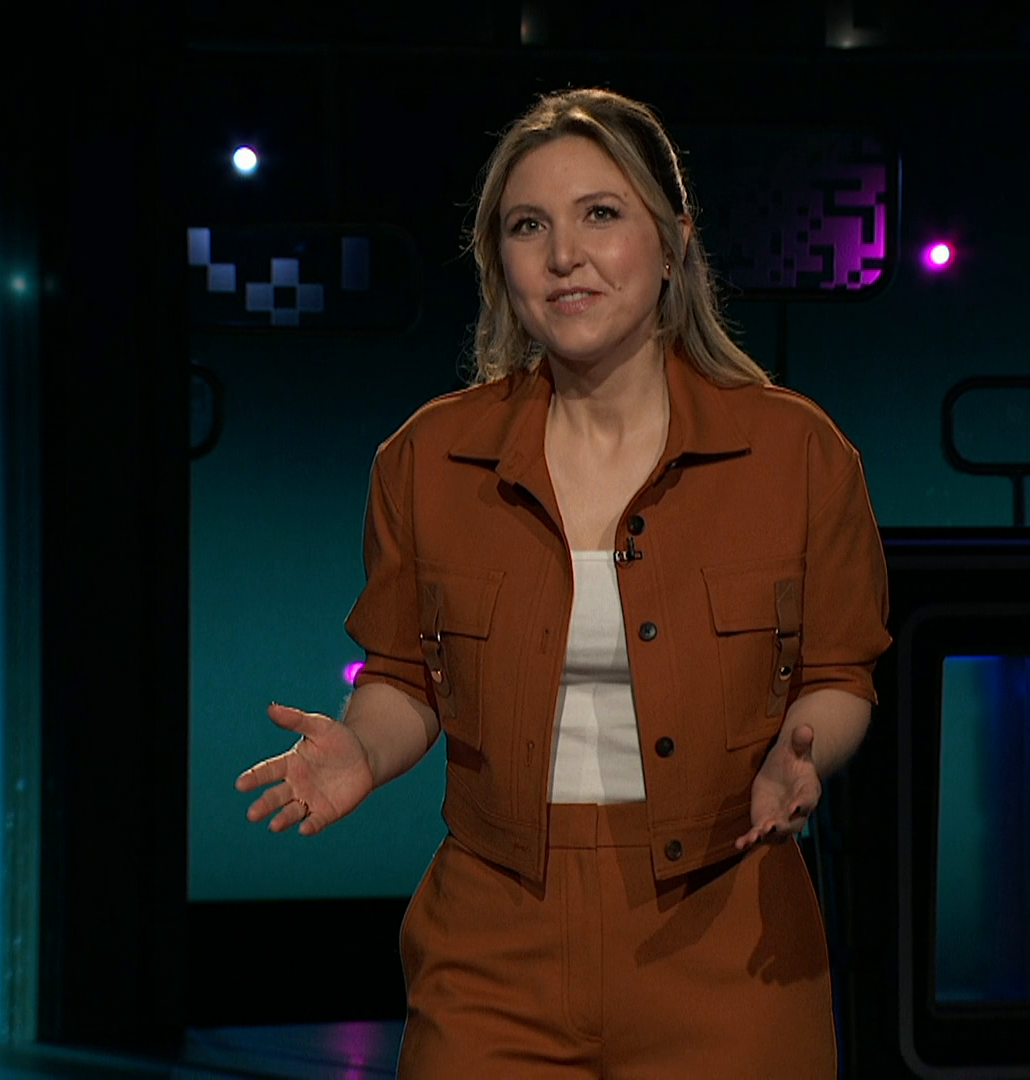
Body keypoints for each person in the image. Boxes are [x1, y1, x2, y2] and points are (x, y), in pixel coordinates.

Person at [235, 87, 890, 1078]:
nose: (564, 255)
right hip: (493, 942)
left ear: (672, 245)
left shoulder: (796, 452)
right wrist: (362, 750)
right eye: (528, 226)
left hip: (729, 933)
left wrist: (802, 760)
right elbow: (405, 677)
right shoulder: (428, 458)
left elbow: (840, 675)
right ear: (499, 262)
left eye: (601, 214)